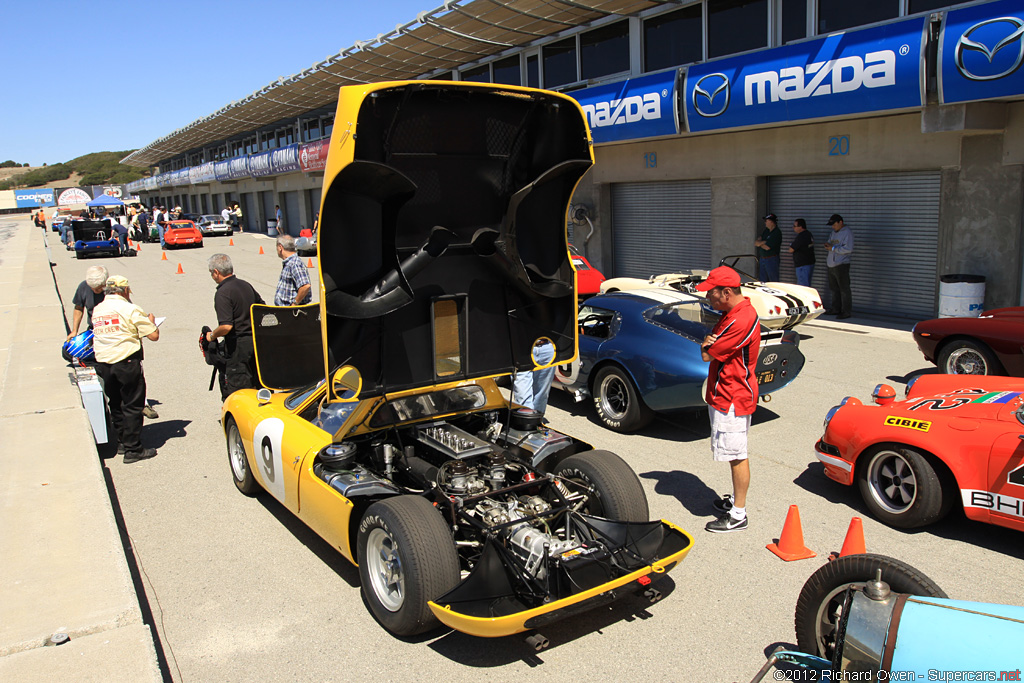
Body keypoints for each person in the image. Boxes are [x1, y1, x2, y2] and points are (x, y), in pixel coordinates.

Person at [696, 266, 761, 533]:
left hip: (733, 396)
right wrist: (708, 345)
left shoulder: (741, 319)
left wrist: (706, 346)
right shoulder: (730, 313)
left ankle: (738, 514)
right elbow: (710, 346)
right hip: (724, 393)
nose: (707, 297)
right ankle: (735, 501)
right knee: (733, 452)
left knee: (737, 455)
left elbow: (707, 353)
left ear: (726, 292)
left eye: (710, 293)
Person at [91, 275, 160, 463]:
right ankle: (133, 449)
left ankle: (121, 441)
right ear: (125, 290)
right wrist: (151, 321)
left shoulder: (98, 310)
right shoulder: (129, 309)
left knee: (116, 402)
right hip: (126, 361)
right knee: (132, 404)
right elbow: (153, 335)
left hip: (104, 362)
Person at [206, 253, 265, 400]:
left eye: (211, 273)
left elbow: (226, 326)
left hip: (238, 346)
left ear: (216, 272)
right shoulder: (245, 285)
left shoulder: (223, 292)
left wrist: (212, 335)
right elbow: (262, 308)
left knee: (239, 386)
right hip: (256, 342)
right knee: (258, 382)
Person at [512, 339, 556, 416]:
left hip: (546, 347)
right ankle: (527, 423)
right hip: (522, 347)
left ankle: (536, 421)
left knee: (541, 395)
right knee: (523, 395)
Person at [824, 213, 854, 319]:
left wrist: (833, 248)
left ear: (840, 222)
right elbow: (830, 243)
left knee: (844, 289)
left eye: (834, 224)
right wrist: (828, 245)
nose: (833, 227)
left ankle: (846, 311)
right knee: (834, 288)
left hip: (841, 264)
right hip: (831, 264)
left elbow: (848, 249)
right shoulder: (833, 233)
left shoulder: (847, 233)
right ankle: (835, 308)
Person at [274, 235, 312, 306]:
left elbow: (305, 286)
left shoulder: (295, 263)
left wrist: (295, 303)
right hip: (284, 310)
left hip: (291, 312)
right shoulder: (289, 262)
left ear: (280, 247)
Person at [754, 213, 782, 282]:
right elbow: (756, 242)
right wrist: (763, 242)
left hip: (771, 259)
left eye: (766, 221)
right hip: (763, 258)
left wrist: (761, 243)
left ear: (771, 222)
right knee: (762, 280)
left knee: (773, 280)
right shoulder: (766, 231)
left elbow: (767, 247)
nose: (765, 222)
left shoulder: (776, 232)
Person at [789, 218, 815, 287]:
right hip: (808, 263)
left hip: (802, 265)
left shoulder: (802, 236)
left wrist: (791, 245)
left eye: (795, 226)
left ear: (800, 227)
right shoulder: (808, 234)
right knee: (806, 285)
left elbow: (791, 249)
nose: (793, 228)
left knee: (802, 286)